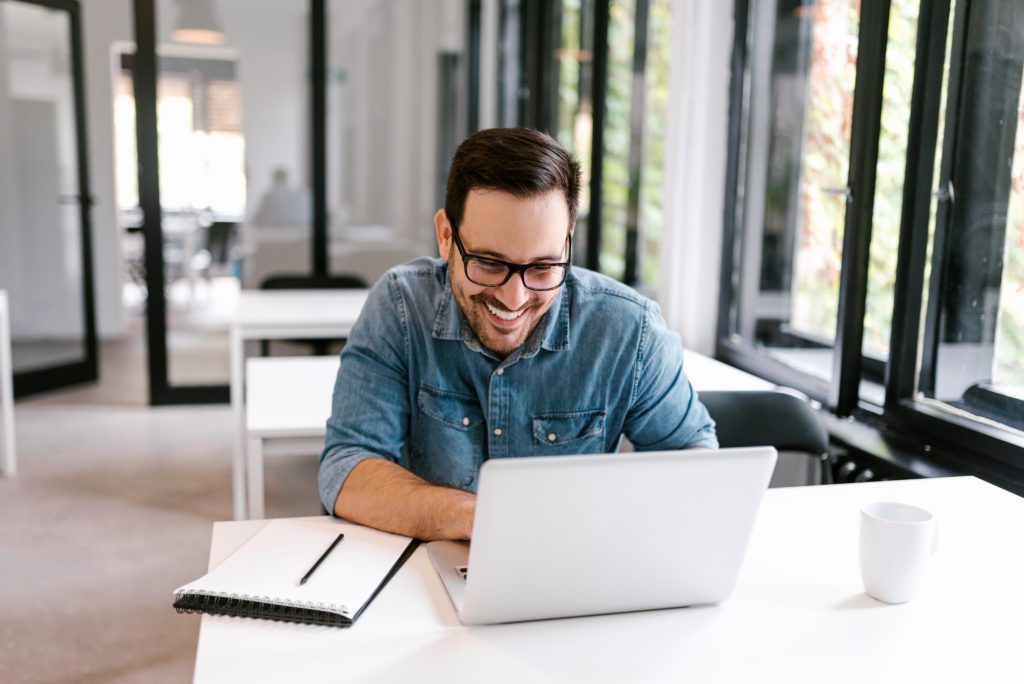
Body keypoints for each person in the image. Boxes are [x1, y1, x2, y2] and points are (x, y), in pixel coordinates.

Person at [318, 128, 716, 541]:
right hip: (430, 578)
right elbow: (347, 467)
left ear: (567, 244)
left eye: (543, 267)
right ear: (445, 236)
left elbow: (695, 458)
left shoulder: (630, 330)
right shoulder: (401, 307)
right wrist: (493, 520)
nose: (514, 297)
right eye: (489, 263)